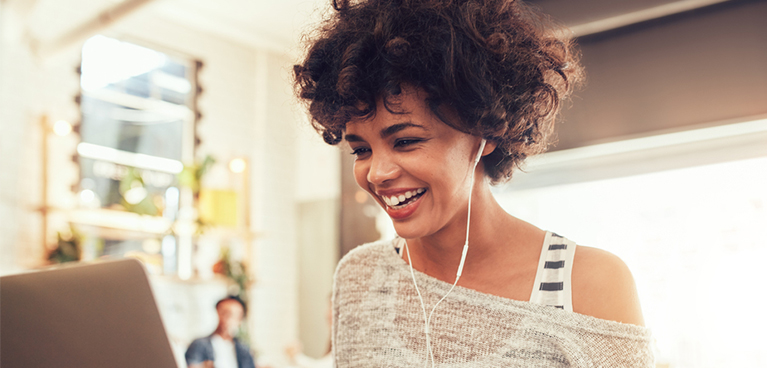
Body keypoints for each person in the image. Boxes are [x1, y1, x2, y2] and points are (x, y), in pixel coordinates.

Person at [293, 0, 654, 367]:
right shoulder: (360, 279)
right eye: (361, 150)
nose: (377, 173)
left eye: (406, 141)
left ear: (486, 130)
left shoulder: (587, 285)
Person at [185, 296, 257, 368]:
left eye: (234, 315)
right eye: (224, 313)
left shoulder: (244, 349)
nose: (227, 319)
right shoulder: (199, 344)